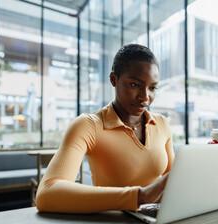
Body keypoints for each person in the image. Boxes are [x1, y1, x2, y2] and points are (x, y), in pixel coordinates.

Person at [36, 44, 175, 213]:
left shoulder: (161, 123)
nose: (145, 97)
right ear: (113, 79)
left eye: (152, 88)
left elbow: (173, 184)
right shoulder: (88, 125)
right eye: (134, 85)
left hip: (155, 221)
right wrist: (140, 196)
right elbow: (47, 193)